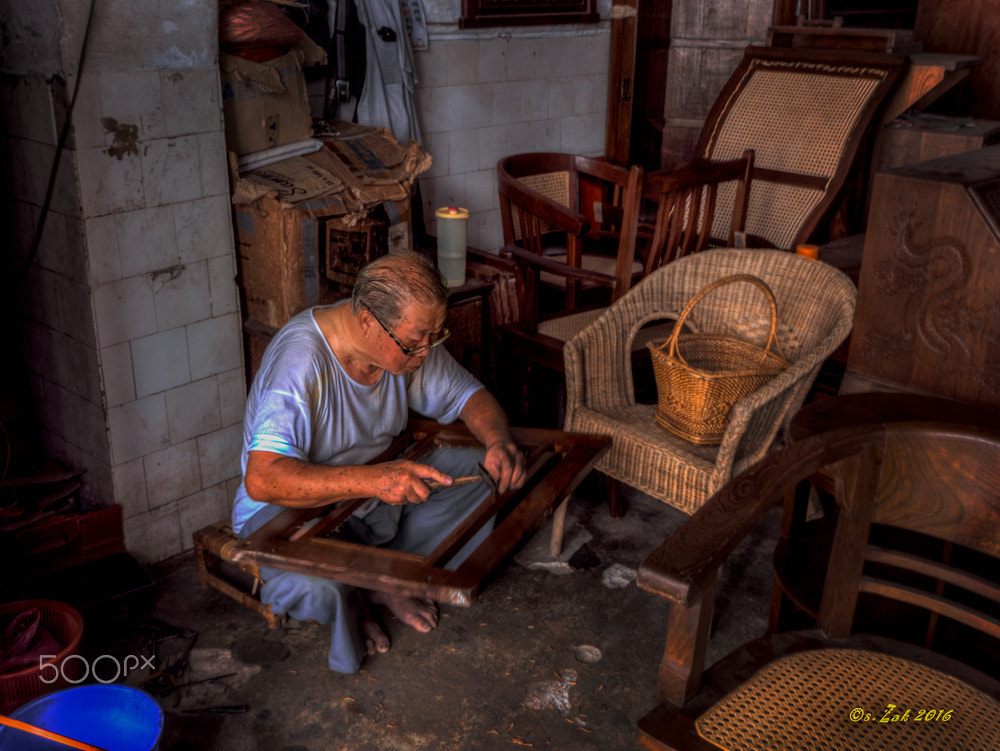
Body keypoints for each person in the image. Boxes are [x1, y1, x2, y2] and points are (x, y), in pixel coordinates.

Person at [231, 250, 526, 673]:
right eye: (416, 341)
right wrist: (374, 480)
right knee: (316, 584)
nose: (425, 351)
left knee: (480, 470)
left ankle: (385, 580)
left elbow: (468, 395)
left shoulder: (408, 344)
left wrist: (498, 440)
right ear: (368, 322)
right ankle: (364, 589)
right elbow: (263, 479)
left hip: (372, 495)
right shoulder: (302, 360)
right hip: (290, 512)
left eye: (434, 337)